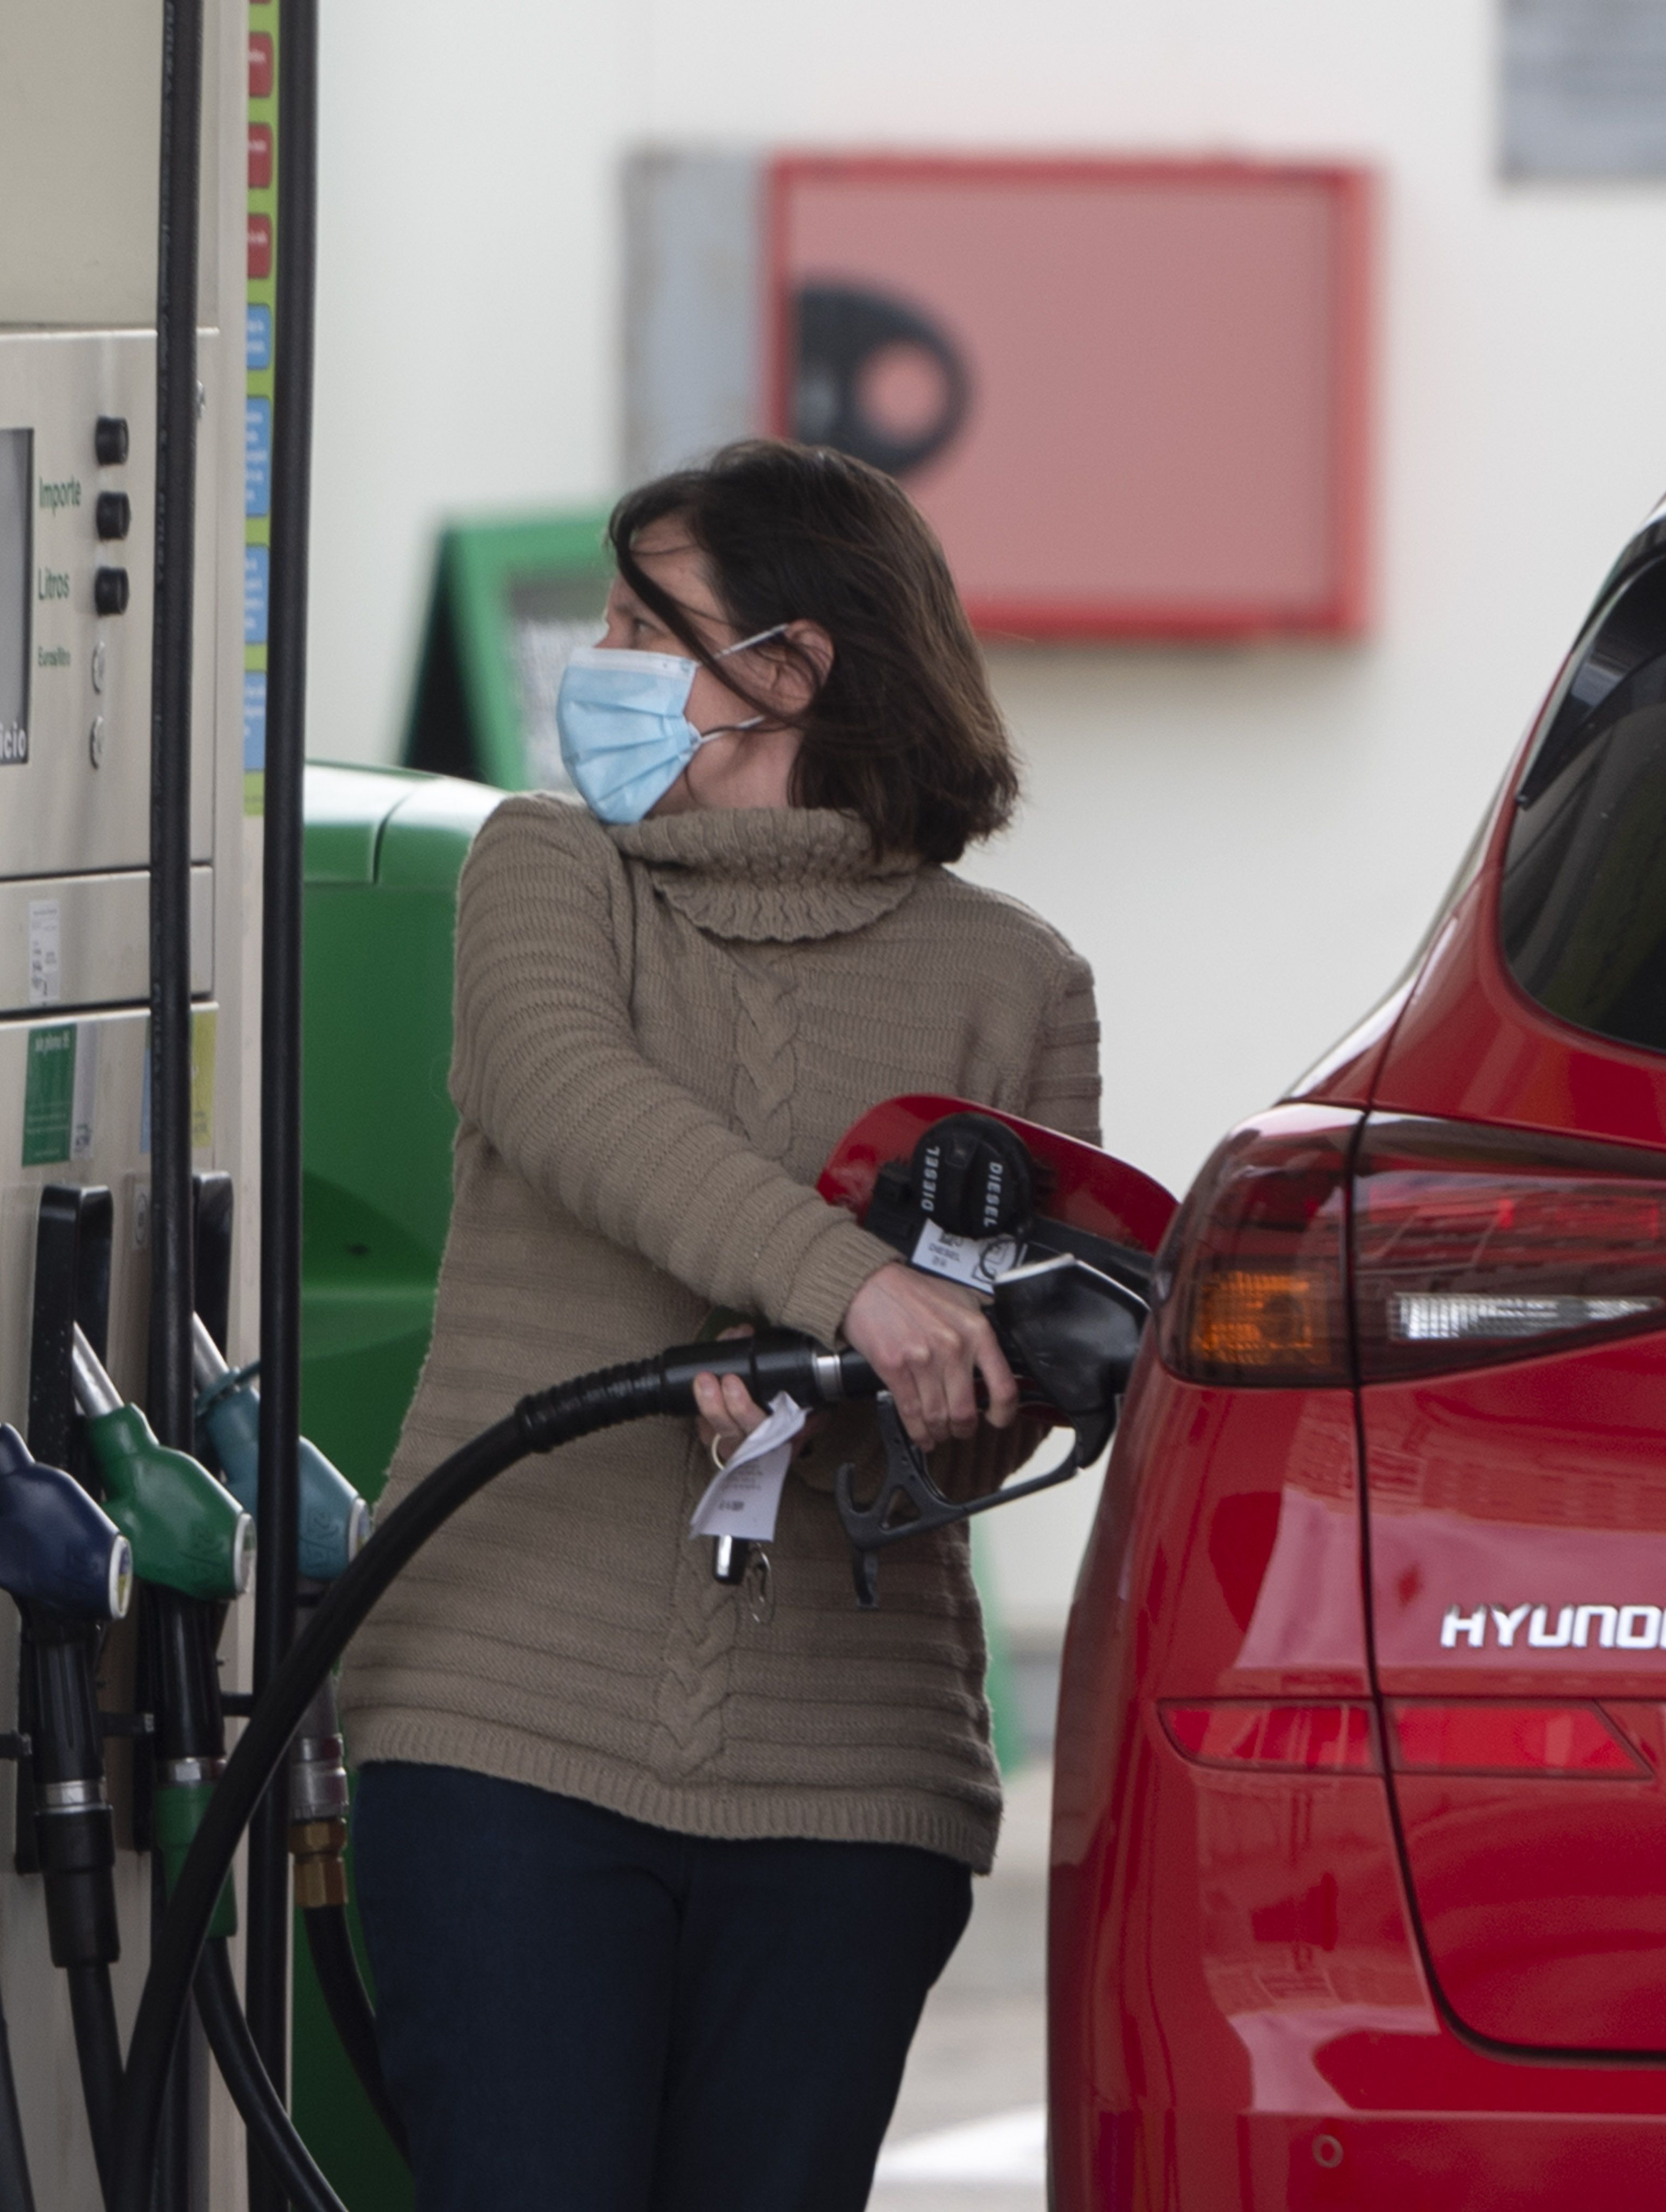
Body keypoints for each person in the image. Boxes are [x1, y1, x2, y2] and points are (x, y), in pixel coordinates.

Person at [339, 438, 1101, 2212]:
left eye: (635, 623)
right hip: (507, 1724)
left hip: (847, 1784)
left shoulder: (1014, 981)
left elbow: (1006, 1395)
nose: (593, 666)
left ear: (789, 666)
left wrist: (899, 1396)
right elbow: (568, 1097)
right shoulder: (551, 871)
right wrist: (849, 1284)